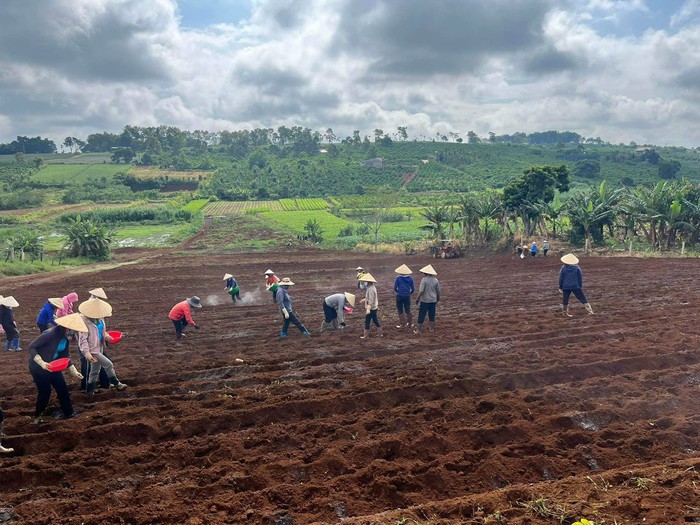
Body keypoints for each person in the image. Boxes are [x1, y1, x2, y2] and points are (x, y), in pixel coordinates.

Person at [28, 313, 87, 424]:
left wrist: (73, 370)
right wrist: (41, 362)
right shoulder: (50, 334)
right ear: (67, 327)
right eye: (74, 329)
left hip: (53, 366)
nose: (75, 332)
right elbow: (32, 347)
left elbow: (65, 354)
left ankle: (69, 413)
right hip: (39, 368)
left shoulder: (66, 337)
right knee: (45, 392)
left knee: (62, 389)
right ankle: (37, 417)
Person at [78, 298, 126, 394]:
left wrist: (109, 338)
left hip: (99, 347)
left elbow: (102, 333)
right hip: (92, 350)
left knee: (95, 370)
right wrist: (87, 353)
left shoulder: (100, 319)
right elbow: (82, 340)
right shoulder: (84, 322)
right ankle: (116, 383)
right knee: (108, 364)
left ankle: (90, 390)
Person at [415, 264, 440, 334]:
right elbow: (438, 291)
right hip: (433, 300)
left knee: (422, 314)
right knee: (432, 314)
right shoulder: (435, 280)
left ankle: (419, 330)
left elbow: (421, 291)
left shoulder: (424, 280)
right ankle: (431, 328)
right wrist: (438, 299)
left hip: (425, 300)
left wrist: (417, 299)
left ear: (425, 273)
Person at [359, 273, 382, 339]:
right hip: (374, 308)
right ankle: (380, 334)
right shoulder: (371, 287)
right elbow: (369, 298)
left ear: (368, 281)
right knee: (375, 320)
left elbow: (371, 301)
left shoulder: (371, 289)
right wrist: (364, 300)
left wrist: (368, 309)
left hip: (372, 308)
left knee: (367, 321)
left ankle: (366, 336)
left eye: (365, 281)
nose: (364, 282)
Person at [393, 264, 415, 329]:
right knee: (408, 309)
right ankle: (410, 323)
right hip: (407, 296)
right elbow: (413, 289)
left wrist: (398, 292)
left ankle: (402, 324)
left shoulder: (398, 278)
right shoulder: (410, 279)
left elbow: (395, 288)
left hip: (399, 295)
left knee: (400, 310)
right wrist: (409, 293)